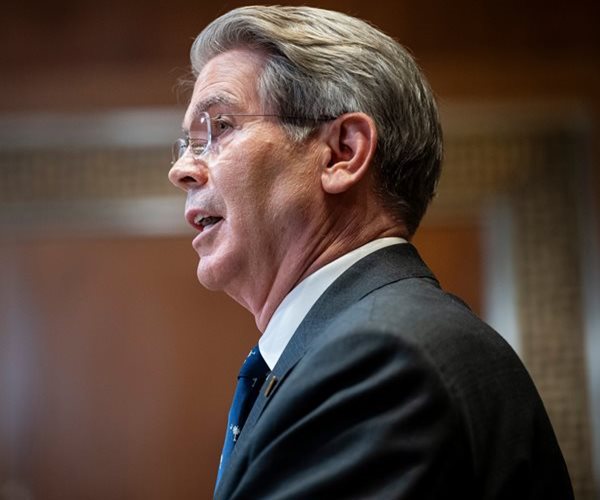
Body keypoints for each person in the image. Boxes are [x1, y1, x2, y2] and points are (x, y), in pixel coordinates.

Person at [168, 5, 573, 499]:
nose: (182, 170)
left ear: (342, 153)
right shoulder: (357, 344)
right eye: (188, 144)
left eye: (221, 127)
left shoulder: (379, 363)